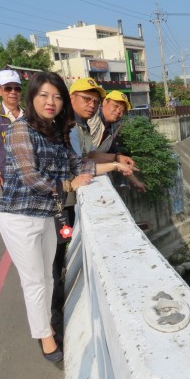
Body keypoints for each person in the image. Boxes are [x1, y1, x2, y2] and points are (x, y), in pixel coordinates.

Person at [0, 71, 132, 363]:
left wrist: (117, 166)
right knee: (34, 281)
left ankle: (45, 325)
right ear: (32, 98)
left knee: (46, 276)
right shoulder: (20, 129)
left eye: (56, 96)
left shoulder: (56, 133)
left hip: (45, 215)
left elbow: (79, 165)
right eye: (44, 95)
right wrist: (69, 185)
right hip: (18, 217)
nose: (50, 102)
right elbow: (31, 177)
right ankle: (45, 337)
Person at [50, 78, 138, 331]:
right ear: (71, 98)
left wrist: (118, 163)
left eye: (94, 101)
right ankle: (54, 321)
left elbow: (83, 161)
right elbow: (80, 164)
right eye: (86, 99)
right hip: (59, 199)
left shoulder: (85, 125)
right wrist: (115, 164)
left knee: (60, 254)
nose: (91, 105)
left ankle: (56, 310)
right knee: (54, 259)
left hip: (67, 197)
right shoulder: (68, 127)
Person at [88, 90, 146, 192]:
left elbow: (116, 155)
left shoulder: (113, 126)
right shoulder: (91, 118)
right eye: (115, 106)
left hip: (92, 168)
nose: (119, 111)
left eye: (122, 110)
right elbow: (87, 154)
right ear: (105, 102)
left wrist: (135, 181)